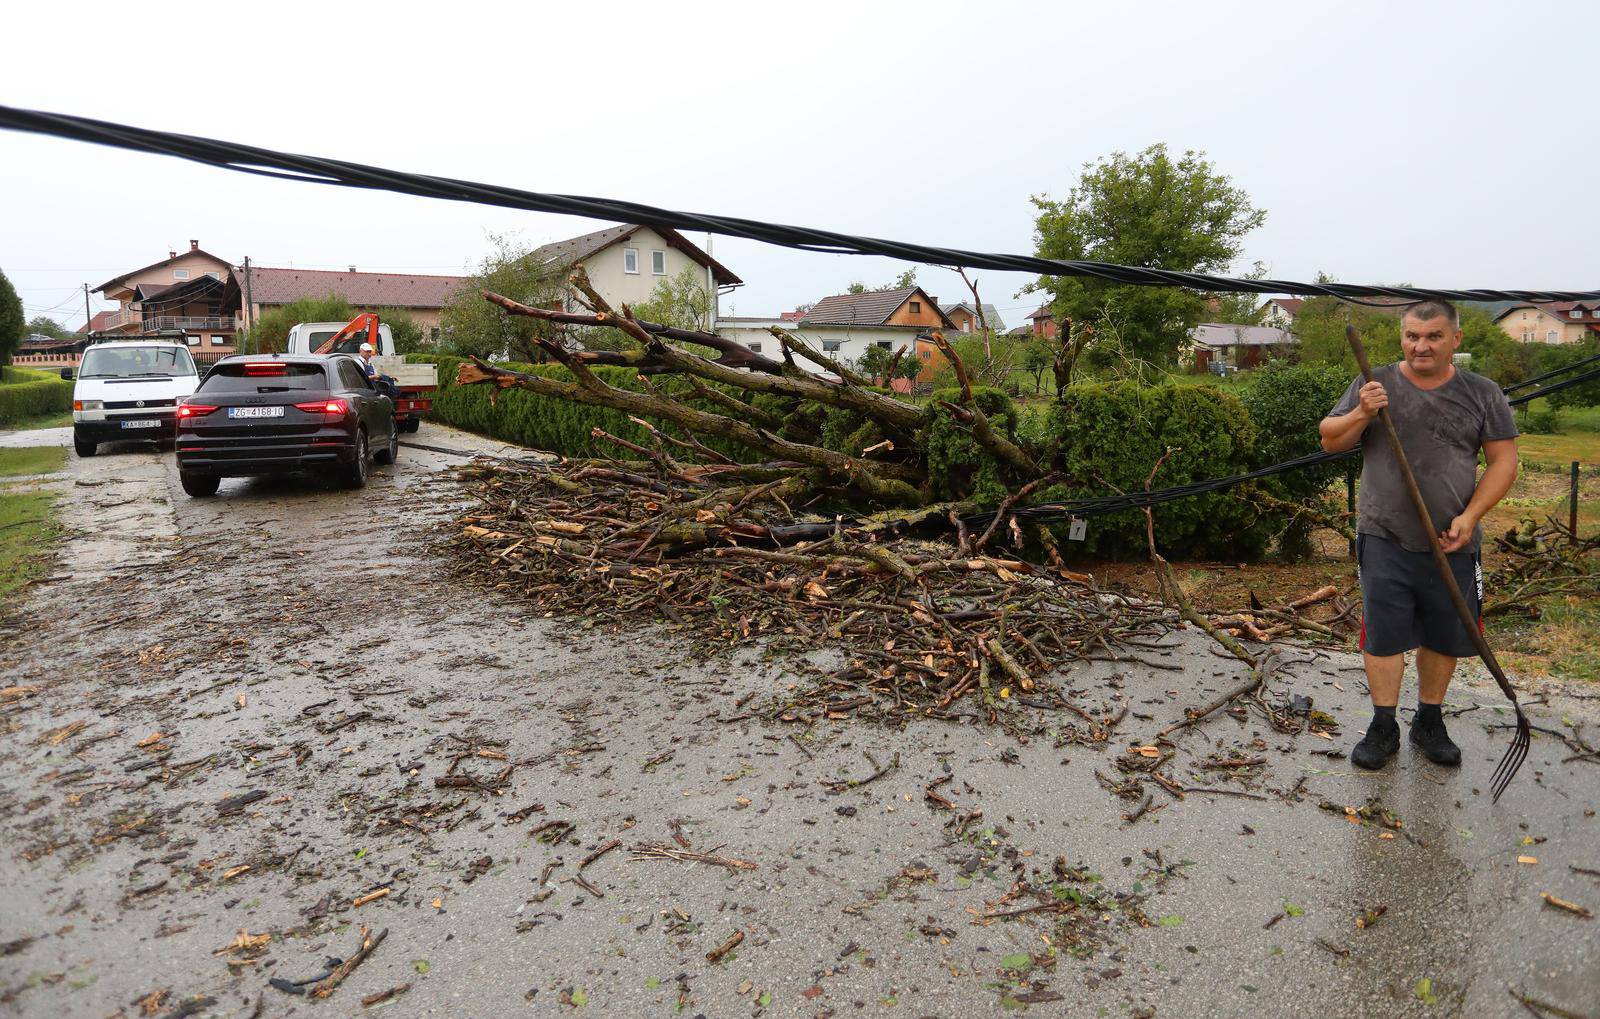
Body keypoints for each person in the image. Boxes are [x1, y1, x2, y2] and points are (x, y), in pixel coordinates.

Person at [1318, 300, 1519, 771]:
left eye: (1432, 336)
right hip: (1384, 534)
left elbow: (1504, 462)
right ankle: (1382, 724)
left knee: (1444, 634)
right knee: (1383, 635)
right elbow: (1330, 438)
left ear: (1455, 340)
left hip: (1453, 539)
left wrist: (1470, 517)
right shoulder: (1376, 385)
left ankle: (1429, 720)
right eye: (1412, 335)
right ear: (1402, 337)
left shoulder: (1482, 393)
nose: (1420, 345)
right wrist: (1362, 413)